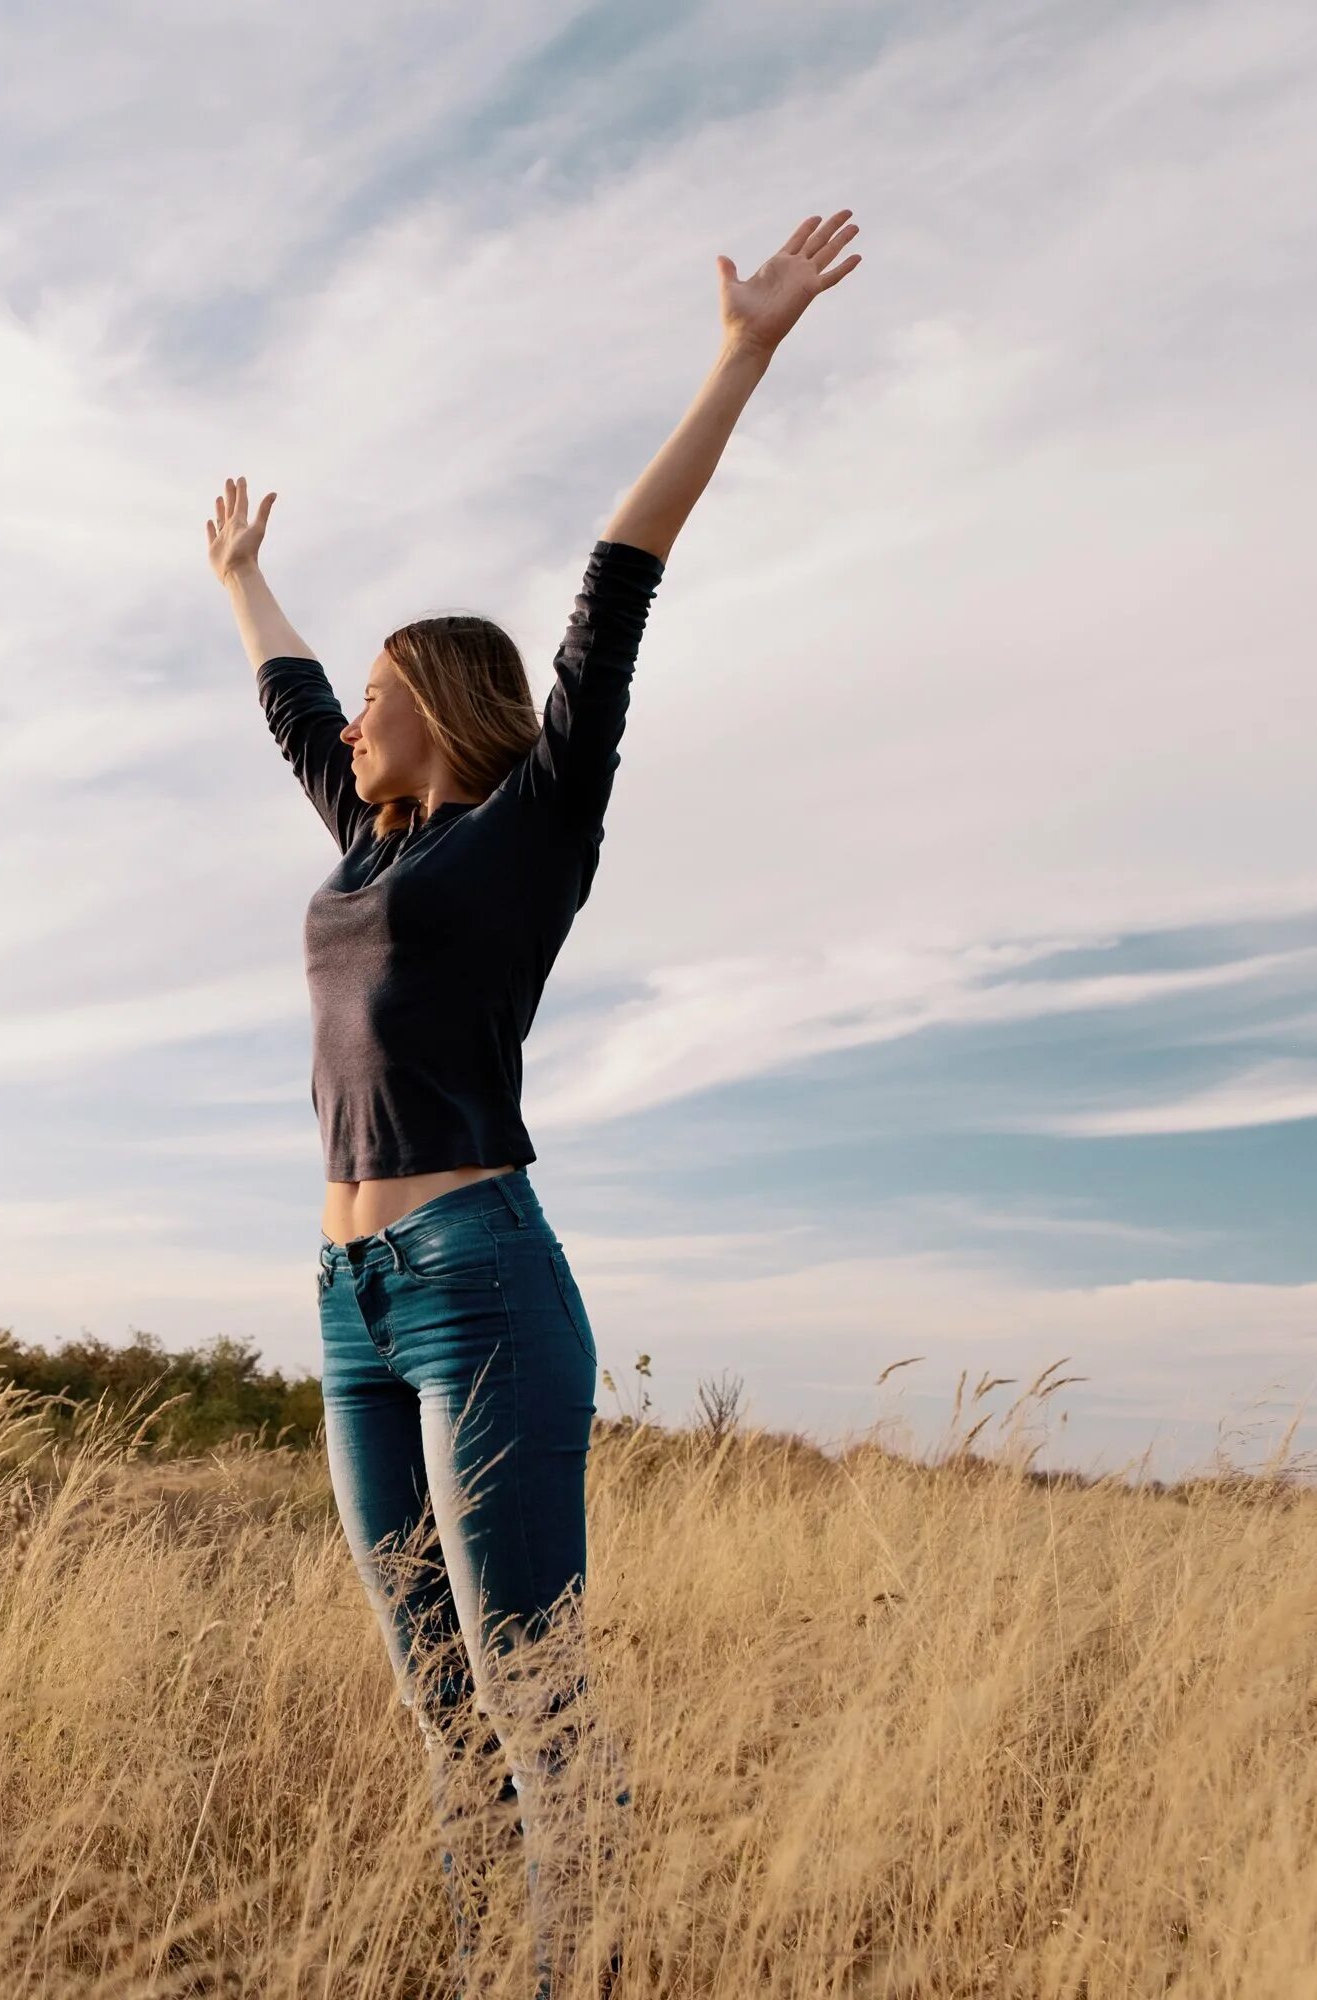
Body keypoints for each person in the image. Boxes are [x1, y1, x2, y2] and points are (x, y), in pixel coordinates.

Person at [205, 210, 861, 1994]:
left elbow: (616, 586)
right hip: (350, 1302)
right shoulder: (368, 843)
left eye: (380, 703)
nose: (352, 727)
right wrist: (243, 581)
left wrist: (742, 356)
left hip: (479, 1275)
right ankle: (493, 1957)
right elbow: (292, 706)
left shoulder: (531, 830)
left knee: (526, 1682)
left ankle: (586, 1961)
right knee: (434, 1690)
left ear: (444, 707)